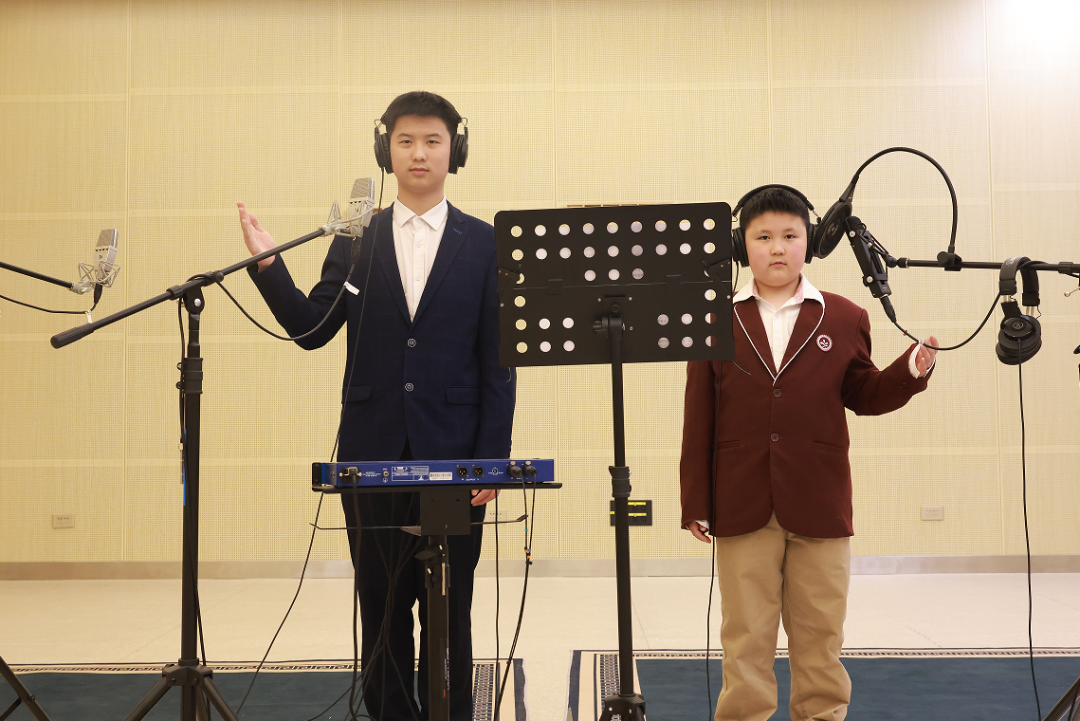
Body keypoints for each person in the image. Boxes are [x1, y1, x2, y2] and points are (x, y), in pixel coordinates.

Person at [237, 91, 515, 721]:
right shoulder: (354, 239)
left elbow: (499, 362)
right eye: (405, 140)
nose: (418, 153)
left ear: (454, 150)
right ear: (384, 149)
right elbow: (311, 329)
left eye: (433, 141)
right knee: (382, 607)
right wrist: (269, 265)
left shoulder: (485, 243)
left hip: (455, 455)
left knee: (451, 607)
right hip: (371, 451)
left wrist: (492, 456)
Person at [679, 185, 937, 721]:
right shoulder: (714, 317)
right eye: (763, 237)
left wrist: (909, 371)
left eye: (790, 236)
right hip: (741, 499)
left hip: (819, 500)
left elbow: (863, 394)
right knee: (745, 637)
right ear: (741, 246)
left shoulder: (844, 316)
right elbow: (699, 416)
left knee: (821, 637)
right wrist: (695, 501)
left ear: (810, 242)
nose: (777, 248)